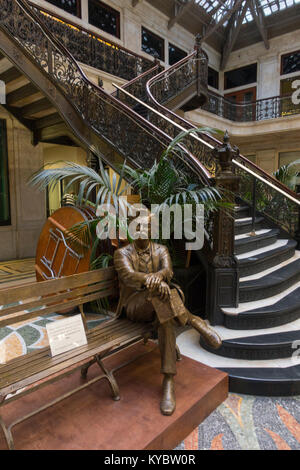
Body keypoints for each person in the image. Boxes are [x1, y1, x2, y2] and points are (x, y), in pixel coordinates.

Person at [113, 216, 222, 416]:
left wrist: (160, 278)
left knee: (165, 319)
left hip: (161, 304)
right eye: (138, 226)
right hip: (135, 305)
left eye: (146, 226)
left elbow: (168, 270)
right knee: (162, 297)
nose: (142, 230)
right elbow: (129, 276)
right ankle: (193, 321)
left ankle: (169, 380)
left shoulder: (161, 250)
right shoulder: (122, 253)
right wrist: (153, 281)